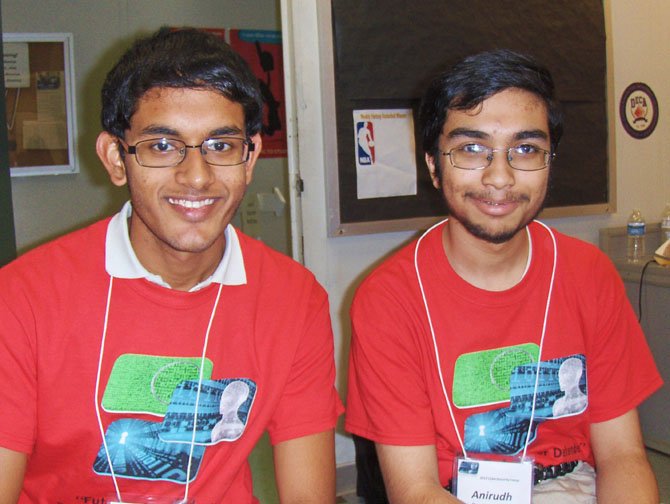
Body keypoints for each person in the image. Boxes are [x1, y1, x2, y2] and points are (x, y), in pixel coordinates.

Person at [0, 27, 342, 504]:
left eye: (221, 146)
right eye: (163, 146)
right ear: (117, 158)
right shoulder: (21, 298)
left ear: (250, 158)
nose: (197, 176)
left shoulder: (293, 299)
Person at [345, 49, 662, 503]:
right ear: (434, 164)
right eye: (472, 149)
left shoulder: (589, 274)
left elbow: (624, 457)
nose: (500, 177)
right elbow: (414, 490)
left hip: (572, 485)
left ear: (550, 161)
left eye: (526, 149)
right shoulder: (389, 299)